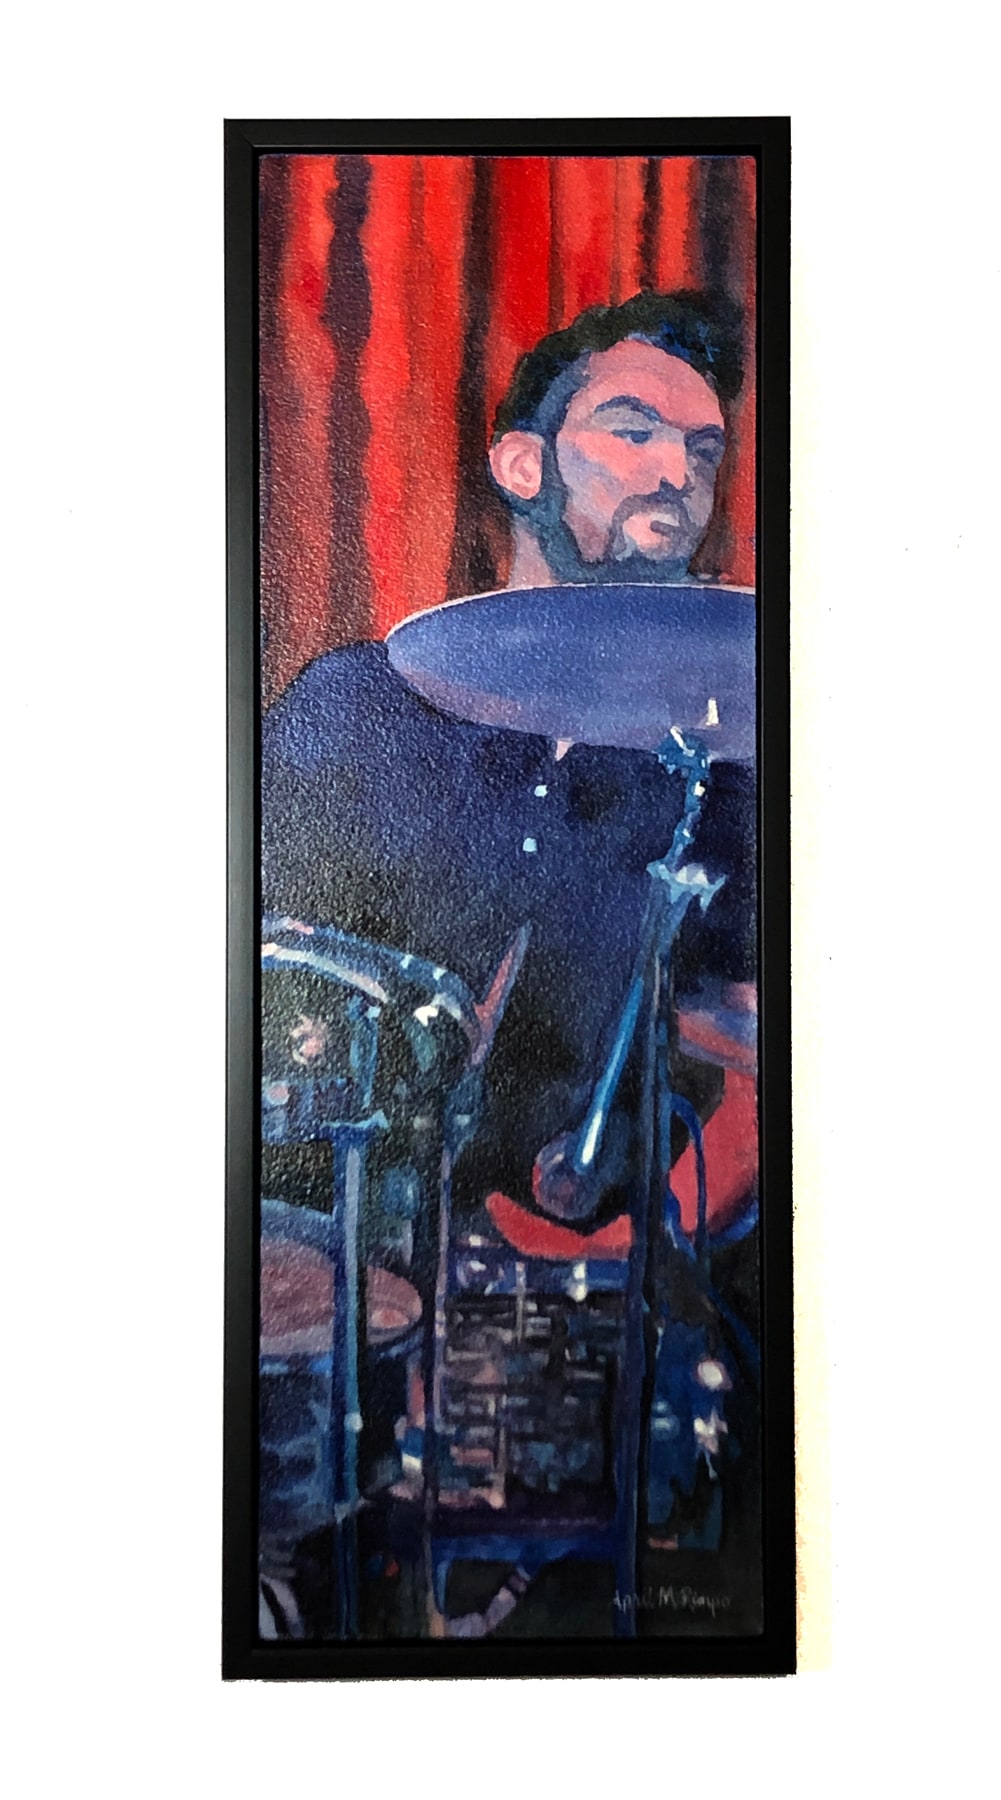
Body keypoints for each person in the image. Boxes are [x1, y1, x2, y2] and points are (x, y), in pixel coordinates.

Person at [261, 290, 756, 1232]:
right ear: (524, 465)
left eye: (702, 451)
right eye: (633, 432)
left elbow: (751, 1044)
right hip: (317, 1249)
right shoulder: (354, 707)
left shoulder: (726, 772)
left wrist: (637, 1245)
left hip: (586, 1277)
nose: (676, 475)